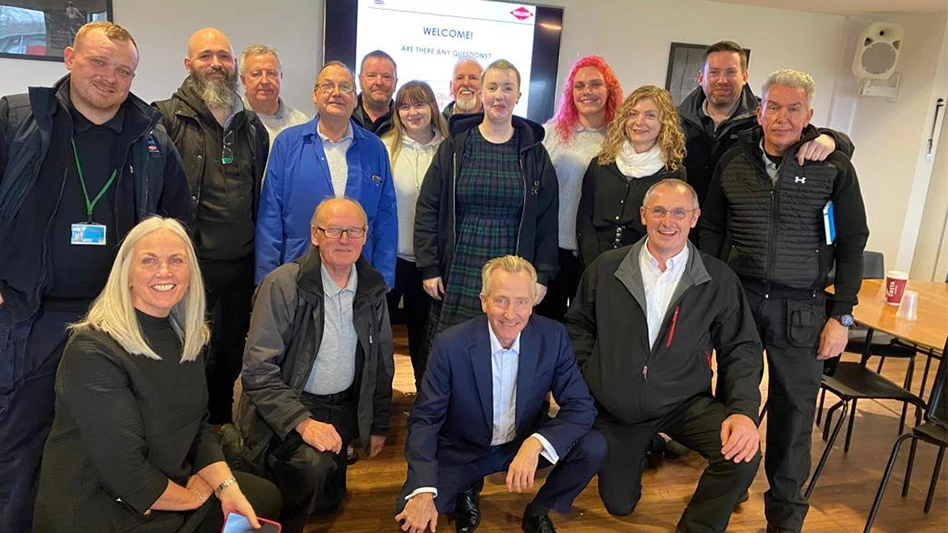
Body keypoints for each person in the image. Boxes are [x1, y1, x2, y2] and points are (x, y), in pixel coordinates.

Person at [0, 21, 191, 532]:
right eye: (98, 63)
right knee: (19, 444)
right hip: (29, 318)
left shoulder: (152, 140)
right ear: (68, 58)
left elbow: (175, 229)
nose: (110, 78)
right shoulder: (17, 119)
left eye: (124, 70)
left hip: (115, 323)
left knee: (108, 444)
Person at [699, 70, 869, 533]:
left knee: (794, 420)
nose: (782, 117)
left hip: (804, 310)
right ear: (759, 109)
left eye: (794, 109)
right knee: (735, 403)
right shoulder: (734, 159)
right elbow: (711, 230)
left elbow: (852, 242)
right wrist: (712, 300)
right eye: (773, 106)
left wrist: (843, 315)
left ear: (809, 115)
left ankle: (785, 520)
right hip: (742, 301)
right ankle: (729, 493)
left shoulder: (833, 166)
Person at [33, 217, 281, 533]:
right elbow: (128, 473)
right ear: (126, 275)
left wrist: (226, 487)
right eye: (149, 260)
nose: (164, 271)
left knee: (263, 499)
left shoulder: (184, 338)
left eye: (176, 260)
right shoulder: (93, 351)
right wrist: (192, 498)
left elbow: (198, 428)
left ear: (190, 273)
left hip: (164, 486)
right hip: (103, 510)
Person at [567, 179, 763, 532]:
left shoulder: (717, 279)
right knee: (619, 505)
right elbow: (577, 326)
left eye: (678, 212)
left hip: (684, 402)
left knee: (742, 454)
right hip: (619, 408)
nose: (667, 221)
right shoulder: (606, 268)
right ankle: (644, 446)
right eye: (658, 211)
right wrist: (591, 374)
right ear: (643, 215)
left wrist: (743, 412)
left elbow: (742, 349)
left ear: (695, 217)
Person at [396, 256, 605, 533]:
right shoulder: (451, 344)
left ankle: (539, 510)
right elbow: (425, 419)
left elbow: (581, 406)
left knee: (593, 446)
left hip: (520, 442)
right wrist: (422, 489)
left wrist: (536, 444)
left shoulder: (552, 337)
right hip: (462, 450)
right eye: (501, 300)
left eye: (521, 302)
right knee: (411, 518)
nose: (510, 313)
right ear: (484, 301)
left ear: (533, 303)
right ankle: (466, 489)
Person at [236, 198, 394, 533]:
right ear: (314, 235)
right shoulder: (282, 285)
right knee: (312, 468)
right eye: (334, 230)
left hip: (340, 405)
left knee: (330, 500)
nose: (344, 239)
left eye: (353, 231)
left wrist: (378, 422)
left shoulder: (373, 288)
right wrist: (303, 422)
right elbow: (257, 369)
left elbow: (381, 361)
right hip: (292, 400)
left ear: (365, 236)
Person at [154, 26, 269, 424]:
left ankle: (218, 423)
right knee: (185, 348)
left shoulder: (252, 127)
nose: (216, 64)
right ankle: (183, 427)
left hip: (241, 261)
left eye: (223, 56)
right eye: (206, 56)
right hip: (189, 260)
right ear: (189, 65)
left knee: (230, 348)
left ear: (234, 64)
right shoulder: (165, 118)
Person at [414, 59, 558, 352]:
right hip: (461, 260)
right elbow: (428, 207)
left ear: (518, 95)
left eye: (508, 88)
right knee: (454, 347)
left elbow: (546, 218)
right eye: (492, 87)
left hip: (513, 262)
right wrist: (429, 266)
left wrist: (541, 276)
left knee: (504, 344)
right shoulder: (455, 146)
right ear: (481, 93)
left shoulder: (533, 153)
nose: (499, 95)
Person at [255, 60, 396, 287]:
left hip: (359, 274)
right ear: (315, 94)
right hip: (297, 272)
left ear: (354, 97)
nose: (336, 93)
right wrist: (266, 280)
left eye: (345, 87)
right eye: (328, 86)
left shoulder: (374, 148)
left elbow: (386, 218)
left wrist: (383, 279)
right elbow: (270, 215)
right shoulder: (287, 144)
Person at [677, 40, 851, 210]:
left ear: (744, 77)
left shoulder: (767, 115)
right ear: (701, 77)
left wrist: (831, 138)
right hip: (680, 222)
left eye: (731, 72)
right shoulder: (675, 119)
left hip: (735, 224)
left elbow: (807, 132)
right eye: (714, 72)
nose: (722, 80)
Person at [535, 55, 622, 322]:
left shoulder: (621, 139)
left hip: (598, 251)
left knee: (588, 326)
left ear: (609, 90)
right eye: (579, 85)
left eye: (595, 84)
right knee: (547, 324)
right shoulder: (549, 134)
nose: (587, 92)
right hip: (553, 249)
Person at [380, 81, 448, 390]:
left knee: (426, 337)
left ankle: (425, 399)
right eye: (405, 106)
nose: (413, 112)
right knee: (381, 335)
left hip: (430, 263)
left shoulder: (450, 148)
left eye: (419, 104)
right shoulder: (384, 147)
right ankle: (379, 398)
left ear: (433, 107)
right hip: (390, 259)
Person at [576, 85, 686, 270]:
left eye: (650, 115)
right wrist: (593, 265)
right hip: (593, 264)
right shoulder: (600, 164)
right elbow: (585, 218)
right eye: (633, 114)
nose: (639, 122)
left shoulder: (673, 173)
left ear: (664, 123)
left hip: (643, 268)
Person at [240, 44, 309, 146]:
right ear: (243, 80)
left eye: (271, 73)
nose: (264, 81)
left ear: (280, 77)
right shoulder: (231, 118)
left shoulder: (300, 122)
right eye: (256, 74)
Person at [353, 50, 397, 136]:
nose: (379, 82)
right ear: (360, 80)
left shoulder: (405, 120)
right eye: (371, 76)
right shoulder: (345, 116)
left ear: (396, 82)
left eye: (386, 77)